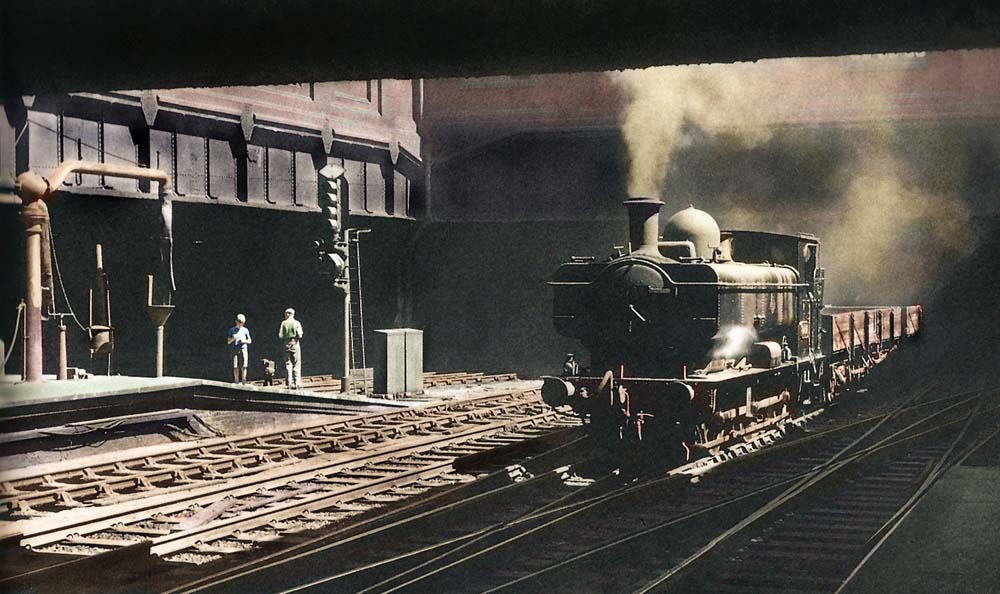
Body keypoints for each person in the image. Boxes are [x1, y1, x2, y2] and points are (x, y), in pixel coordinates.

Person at [278, 307, 304, 389]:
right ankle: (297, 383)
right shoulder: (297, 323)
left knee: (288, 363)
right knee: (297, 363)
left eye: (285, 314)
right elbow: (300, 335)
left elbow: (280, 335)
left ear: (288, 314)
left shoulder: (283, 323)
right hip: (295, 343)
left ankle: (289, 383)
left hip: (286, 344)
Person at [227, 313, 252, 384]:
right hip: (234, 349)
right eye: (240, 322)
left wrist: (244, 341)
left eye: (243, 323)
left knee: (244, 366)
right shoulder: (232, 330)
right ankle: (236, 382)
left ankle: (244, 382)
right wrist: (233, 338)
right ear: (236, 321)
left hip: (243, 349)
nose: (241, 324)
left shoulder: (245, 330)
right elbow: (228, 342)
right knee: (235, 366)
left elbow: (250, 341)